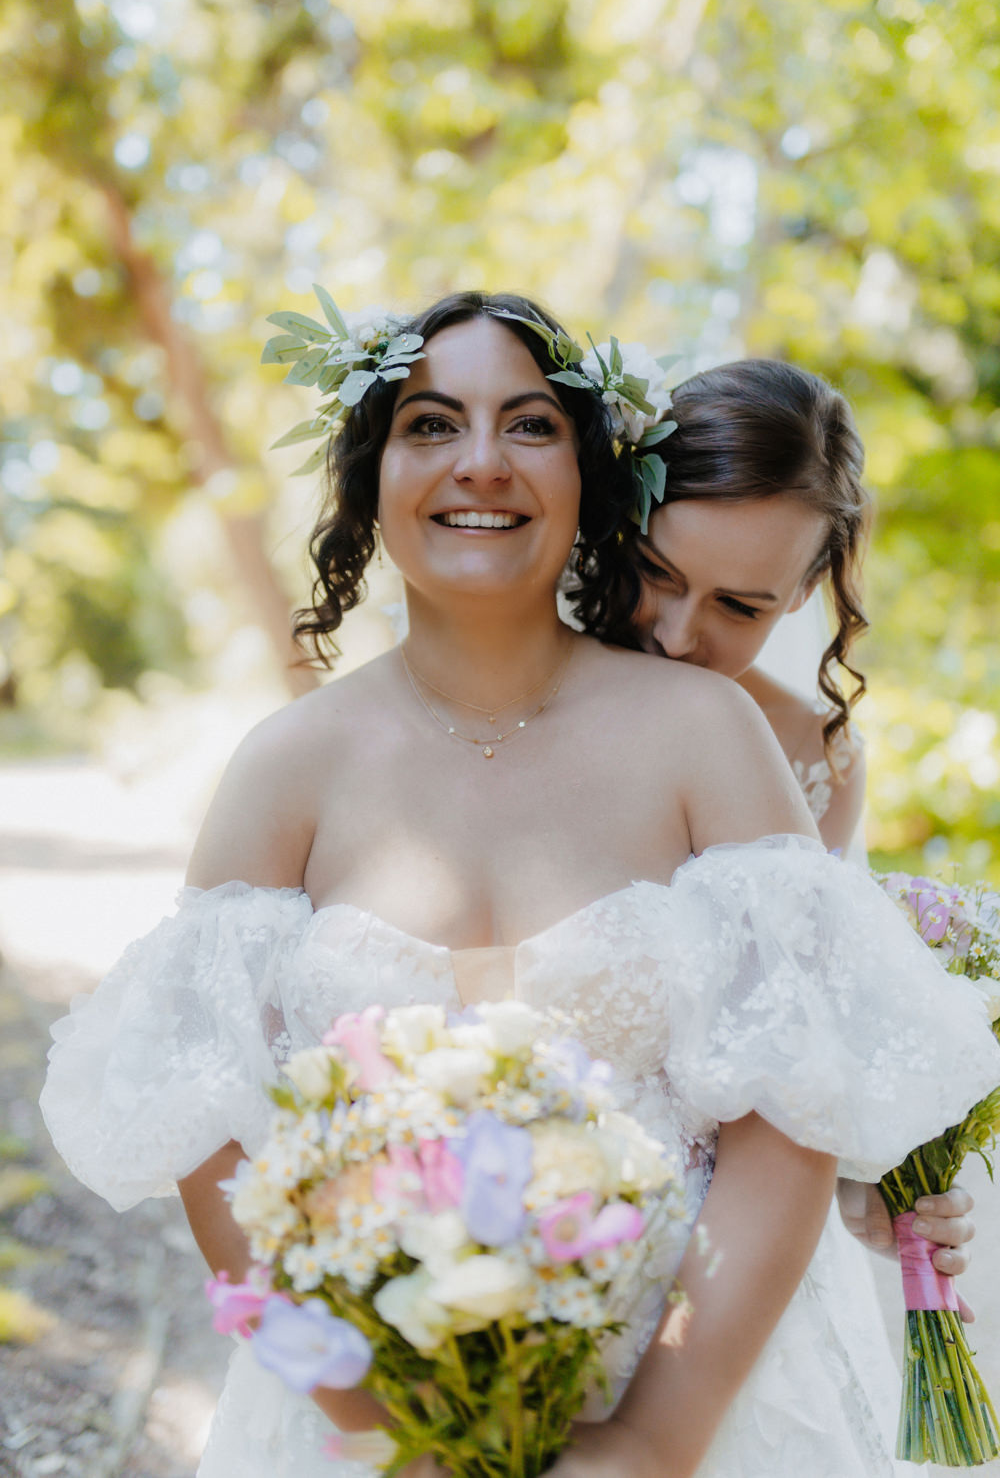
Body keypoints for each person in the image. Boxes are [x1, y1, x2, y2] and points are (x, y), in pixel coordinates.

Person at [40, 293, 1000, 1478]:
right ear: (370, 472)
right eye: (430, 423)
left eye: (530, 425)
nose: (480, 463)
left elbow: (785, 1103)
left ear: (592, 472)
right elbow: (209, 1140)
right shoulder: (283, 767)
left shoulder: (715, 735)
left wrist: (651, 1441)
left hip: (703, 1399)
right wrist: (387, 1428)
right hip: (355, 1416)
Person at [576, 357, 975, 1278]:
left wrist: (861, 1190)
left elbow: (784, 1046)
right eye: (654, 572)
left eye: (739, 605)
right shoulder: (521, 685)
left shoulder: (816, 759)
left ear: (801, 596)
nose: (676, 635)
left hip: (715, 1250)